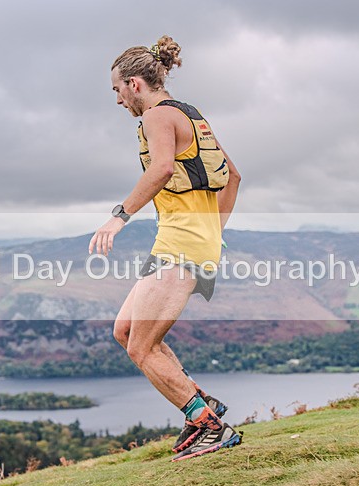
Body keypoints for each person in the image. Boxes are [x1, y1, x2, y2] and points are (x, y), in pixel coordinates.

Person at [89, 36, 243, 461]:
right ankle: (201, 403)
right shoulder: (192, 116)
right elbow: (233, 176)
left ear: (135, 84)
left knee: (141, 347)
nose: (118, 100)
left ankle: (209, 425)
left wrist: (118, 217)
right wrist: (215, 230)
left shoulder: (157, 117)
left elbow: (161, 169)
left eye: (117, 90)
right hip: (190, 240)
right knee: (125, 331)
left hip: (182, 245)